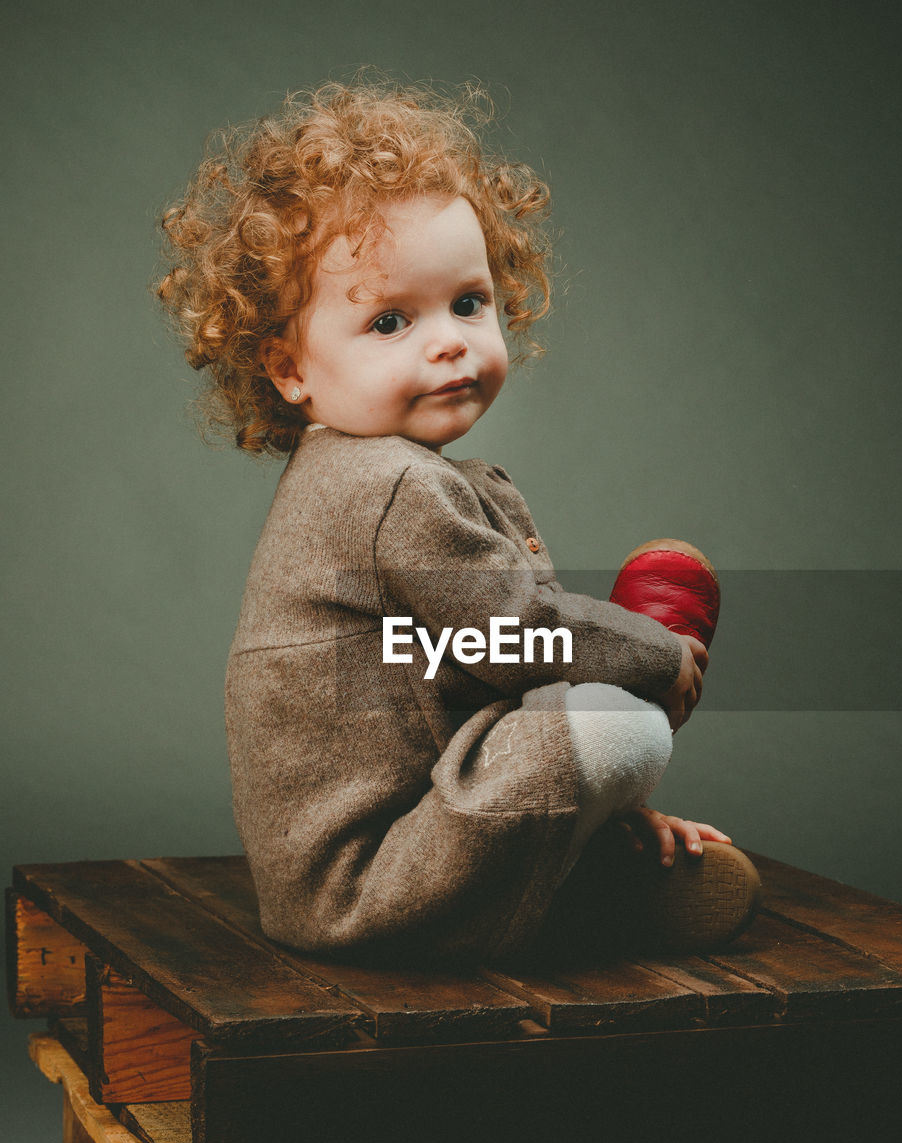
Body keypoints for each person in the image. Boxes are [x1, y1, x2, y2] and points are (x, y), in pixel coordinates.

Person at [157, 79, 760, 963]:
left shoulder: (361, 474)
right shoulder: (386, 488)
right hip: (371, 880)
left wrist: (613, 802)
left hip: (367, 861)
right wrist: (654, 655)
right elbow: (513, 635)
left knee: (584, 726)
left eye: (468, 304)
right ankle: (564, 874)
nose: (447, 340)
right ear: (289, 368)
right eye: (390, 320)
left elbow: (453, 672)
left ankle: (573, 867)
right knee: (612, 719)